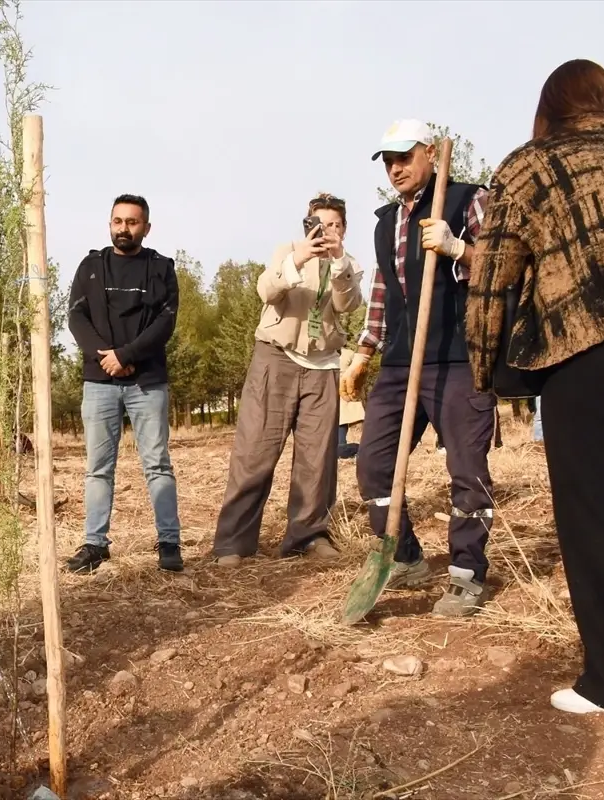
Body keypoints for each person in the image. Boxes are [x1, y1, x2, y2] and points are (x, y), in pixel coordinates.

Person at [467, 59, 604, 716]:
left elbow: (490, 281)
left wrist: (484, 372)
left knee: (600, 516)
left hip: (588, 350)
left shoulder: (530, 165)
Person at [340, 119, 495, 617]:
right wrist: (364, 352)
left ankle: (467, 574)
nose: (395, 168)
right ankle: (405, 557)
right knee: (374, 464)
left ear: (430, 153)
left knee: (467, 470)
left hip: (458, 356)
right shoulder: (386, 221)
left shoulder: (468, 199)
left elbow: (504, 265)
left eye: (404, 157)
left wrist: (458, 249)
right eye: (388, 161)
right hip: (400, 361)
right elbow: (383, 289)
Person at [212, 194, 364, 567]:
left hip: (323, 365)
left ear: (344, 230)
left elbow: (347, 305)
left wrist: (338, 262)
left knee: (318, 459)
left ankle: (308, 536)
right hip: (276, 358)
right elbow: (266, 291)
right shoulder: (287, 252)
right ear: (307, 226)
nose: (327, 231)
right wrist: (299, 258)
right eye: (320, 224)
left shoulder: (348, 264)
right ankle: (233, 542)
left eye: (335, 225)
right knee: (255, 452)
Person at [65, 194, 183, 574]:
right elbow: (76, 317)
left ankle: (169, 543)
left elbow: (165, 321)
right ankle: (95, 545)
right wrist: (107, 358)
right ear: (109, 224)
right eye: (118, 221)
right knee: (98, 467)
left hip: (147, 382)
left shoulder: (161, 268)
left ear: (146, 227)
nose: (124, 228)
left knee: (157, 464)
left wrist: (127, 355)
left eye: (132, 222)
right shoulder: (91, 267)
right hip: (99, 382)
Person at [337, 347, 365, 459]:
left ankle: (342, 444)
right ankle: (341, 444)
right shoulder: (349, 353)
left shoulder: (347, 353)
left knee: (341, 419)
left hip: (344, 388)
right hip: (344, 388)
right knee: (342, 419)